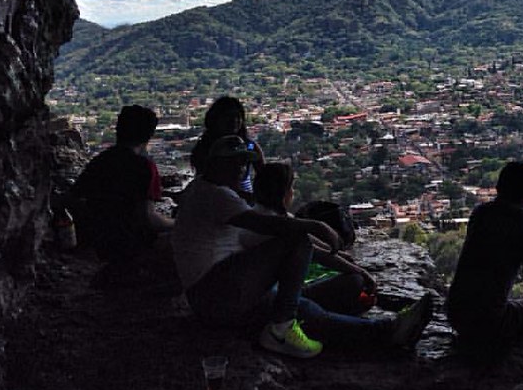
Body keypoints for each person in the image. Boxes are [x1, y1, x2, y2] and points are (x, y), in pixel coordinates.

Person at [173, 136, 431, 359]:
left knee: (309, 312)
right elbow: (269, 226)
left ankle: (388, 331)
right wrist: (316, 226)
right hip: (216, 293)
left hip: (220, 294)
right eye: (235, 162)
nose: (241, 169)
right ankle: (282, 329)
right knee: (297, 241)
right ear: (216, 164)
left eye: (245, 163)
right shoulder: (214, 195)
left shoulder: (208, 191)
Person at [446, 161, 523, 344]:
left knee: (510, 299)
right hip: (489, 323)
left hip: (456, 316)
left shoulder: (480, 212)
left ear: (498, 188)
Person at [252, 162, 376, 316]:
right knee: (355, 281)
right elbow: (318, 253)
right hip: (275, 297)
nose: (293, 192)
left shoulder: (261, 214)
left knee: (349, 278)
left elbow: (311, 239)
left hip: (268, 290)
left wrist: (339, 254)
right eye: (290, 187)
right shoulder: (274, 223)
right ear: (283, 192)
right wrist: (363, 273)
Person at [70, 104, 174, 265]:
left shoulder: (100, 162)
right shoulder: (144, 166)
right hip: (131, 246)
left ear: (118, 129)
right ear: (149, 134)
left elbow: (75, 198)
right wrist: (177, 223)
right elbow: (148, 219)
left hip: (101, 243)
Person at [190, 96, 265, 199]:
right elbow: (204, 183)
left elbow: (264, 176)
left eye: (238, 117)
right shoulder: (205, 148)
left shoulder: (250, 146)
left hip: (245, 204)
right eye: (228, 117)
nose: (234, 121)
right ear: (215, 119)